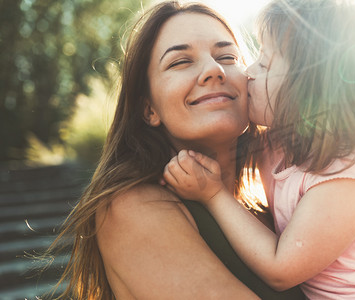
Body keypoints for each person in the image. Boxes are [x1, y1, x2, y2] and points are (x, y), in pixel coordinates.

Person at [163, 0, 355, 298]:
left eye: (265, 64)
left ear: (311, 89)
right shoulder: (277, 143)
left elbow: (281, 270)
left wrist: (212, 194)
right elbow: (220, 138)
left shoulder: (352, 169)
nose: (249, 73)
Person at [42, 1, 305, 299]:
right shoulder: (133, 207)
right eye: (180, 62)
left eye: (228, 56)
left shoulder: (277, 206)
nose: (214, 70)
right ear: (148, 108)